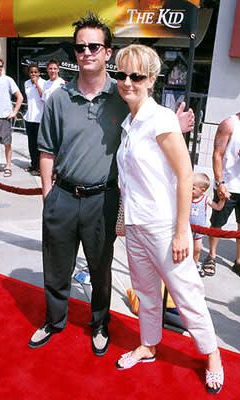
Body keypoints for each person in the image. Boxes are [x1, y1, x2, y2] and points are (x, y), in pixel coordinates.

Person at [28, 13, 194, 357]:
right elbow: (46, 151)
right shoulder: (58, 98)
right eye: (80, 47)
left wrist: (174, 127)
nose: (86, 52)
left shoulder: (123, 94)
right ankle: (53, 320)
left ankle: (100, 323)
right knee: (56, 265)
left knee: (101, 267)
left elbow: (152, 125)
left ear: (107, 52)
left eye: (94, 46)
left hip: (102, 199)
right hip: (62, 194)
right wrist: (48, 197)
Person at [115, 44, 223, 394]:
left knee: (187, 293)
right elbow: (130, 180)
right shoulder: (129, 122)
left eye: (136, 76)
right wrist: (122, 219)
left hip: (163, 227)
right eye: (122, 74)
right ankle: (148, 344)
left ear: (151, 79)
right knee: (146, 292)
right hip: (135, 226)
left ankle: (213, 356)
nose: (127, 82)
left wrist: (181, 231)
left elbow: (185, 174)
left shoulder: (159, 118)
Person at [203, 112, 240, 277]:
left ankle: (239, 261)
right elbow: (217, 154)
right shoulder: (229, 124)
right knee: (217, 223)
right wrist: (219, 183)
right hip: (228, 186)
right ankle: (211, 255)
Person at [190, 172, 227, 277]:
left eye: (193, 188)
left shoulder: (205, 199)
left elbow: (218, 207)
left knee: (197, 249)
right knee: (186, 247)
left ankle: (195, 264)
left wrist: (223, 200)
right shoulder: (187, 197)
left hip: (199, 231)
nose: (190, 190)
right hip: (187, 229)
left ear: (202, 190)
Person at [0, 56, 23, 177]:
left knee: (7, 143)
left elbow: (20, 97)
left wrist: (14, 112)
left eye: (0, 66)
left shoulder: (8, 80)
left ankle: (7, 166)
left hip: (4, 117)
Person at [24, 64, 46, 176]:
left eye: (35, 72)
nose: (33, 74)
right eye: (31, 72)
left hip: (40, 118)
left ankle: (39, 167)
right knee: (31, 144)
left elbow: (43, 97)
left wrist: (37, 84)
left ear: (39, 73)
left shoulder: (44, 83)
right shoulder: (26, 83)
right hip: (29, 118)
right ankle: (33, 164)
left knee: (39, 145)